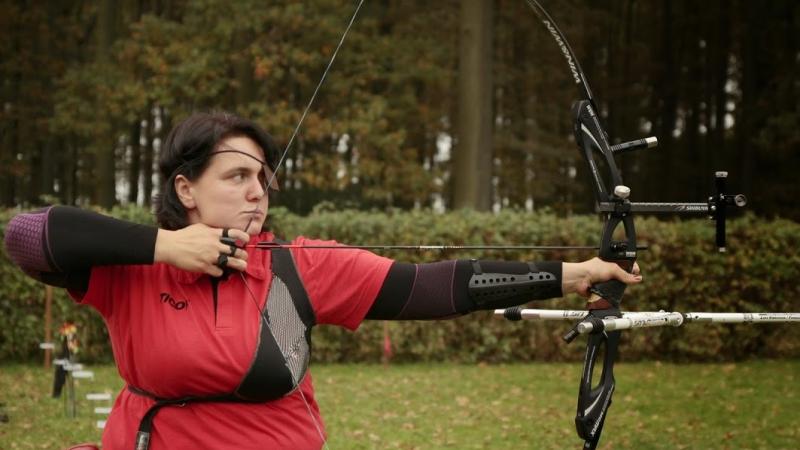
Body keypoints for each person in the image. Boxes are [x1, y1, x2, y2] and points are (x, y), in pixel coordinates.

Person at [3, 112, 642, 449]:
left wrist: (570, 273)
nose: (257, 192)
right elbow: (26, 236)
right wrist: (167, 246)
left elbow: (434, 286)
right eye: (236, 177)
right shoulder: (134, 268)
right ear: (184, 188)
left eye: (262, 178)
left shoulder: (297, 264)